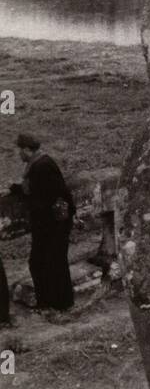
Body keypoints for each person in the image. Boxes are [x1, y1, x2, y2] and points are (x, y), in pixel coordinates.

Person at [11, 133, 75, 312]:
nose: (18, 154)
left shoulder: (41, 166)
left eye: (19, 150)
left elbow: (50, 195)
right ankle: (54, 303)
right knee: (49, 262)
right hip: (52, 224)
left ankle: (54, 304)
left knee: (45, 262)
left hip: (52, 225)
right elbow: (36, 190)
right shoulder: (40, 163)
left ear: (26, 149)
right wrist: (16, 189)